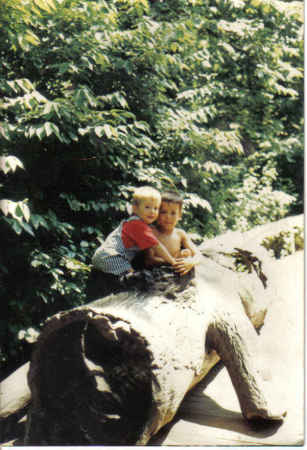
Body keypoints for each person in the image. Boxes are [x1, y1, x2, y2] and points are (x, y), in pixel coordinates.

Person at [91, 186, 176, 290]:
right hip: (111, 257)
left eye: (156, 208)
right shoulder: (138, 225)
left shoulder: (135, 222)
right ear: (135, 208)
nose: (152, 212)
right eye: (147, 207)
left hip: (104, 256)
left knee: (124, 277)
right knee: (132, 278)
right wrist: (172, 262)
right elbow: (157, 246)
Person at [146, 190, 201, 276]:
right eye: (163, 212)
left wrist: (191, 262)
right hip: (154, 274)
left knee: (187, 256)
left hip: (176, 274)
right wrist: (175, 261)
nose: (168, 217)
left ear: (179, 215)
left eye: (173, 213)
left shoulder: (180, 234)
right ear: (157, 213)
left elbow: (198, 254)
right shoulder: (151, 232)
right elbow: (149, 260)